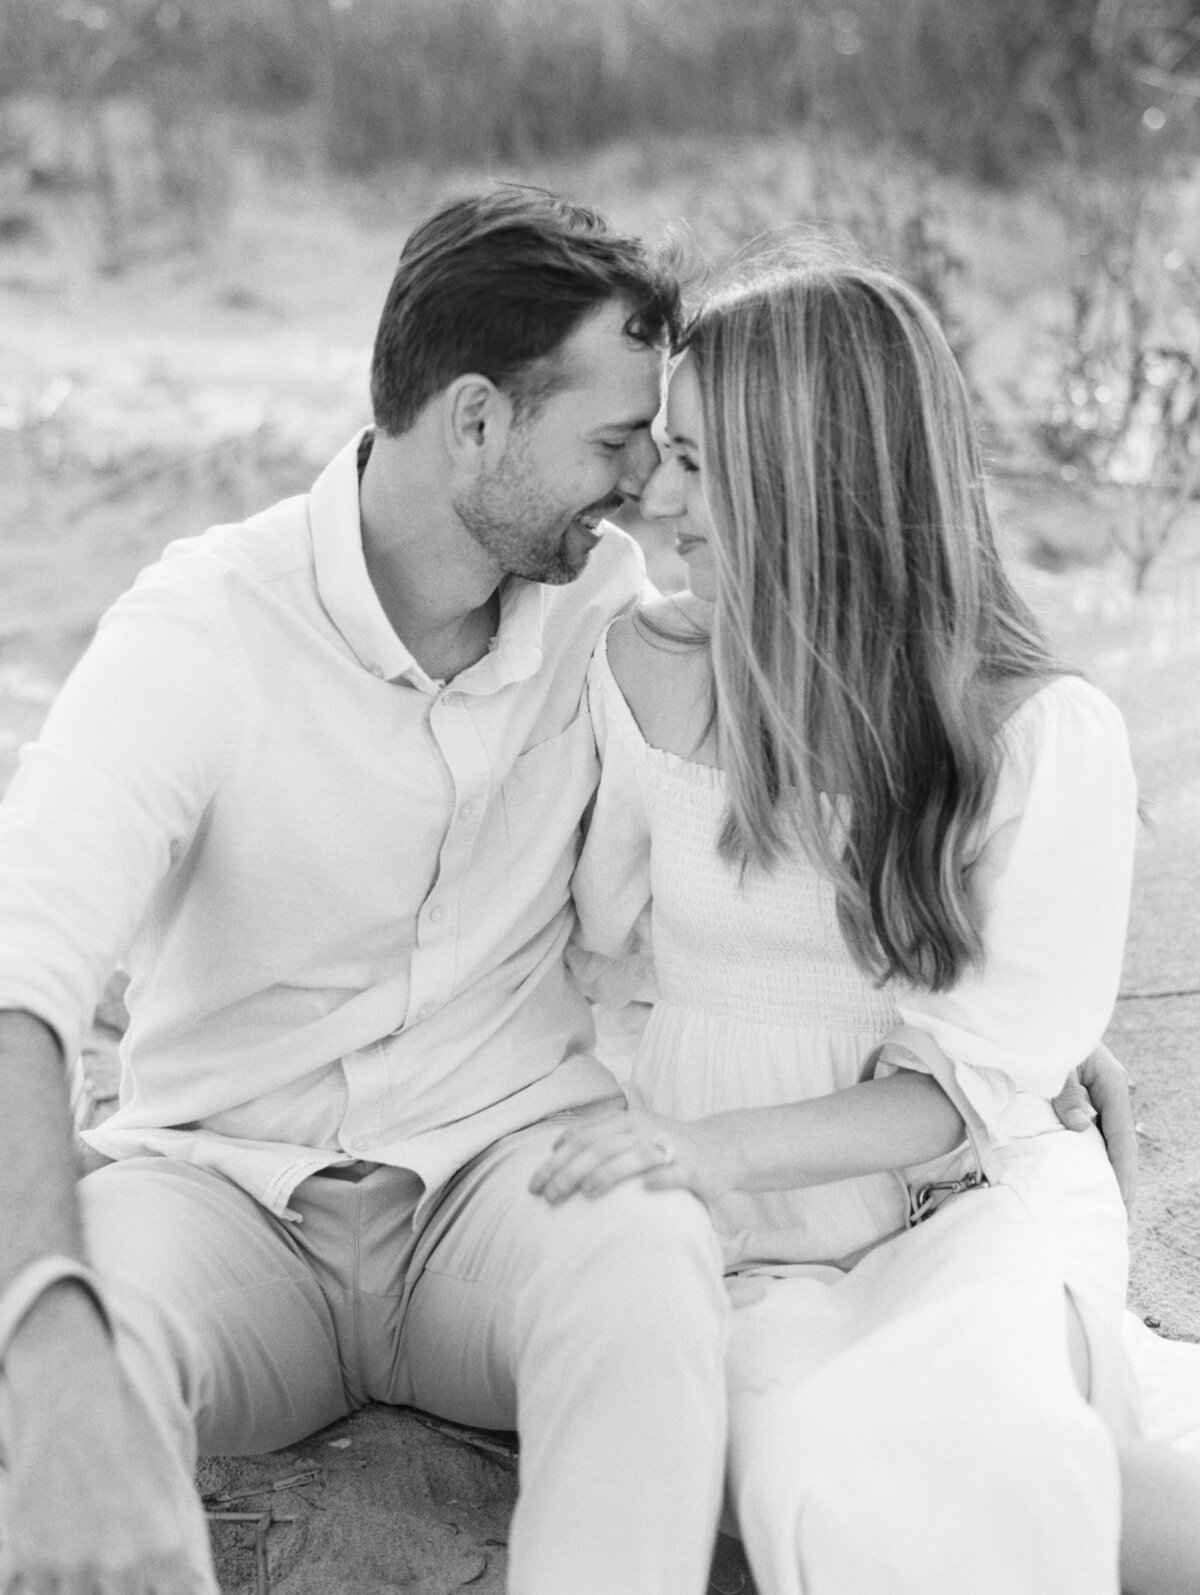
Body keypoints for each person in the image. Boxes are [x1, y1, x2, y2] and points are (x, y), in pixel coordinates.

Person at [0, 188, 732, 1595]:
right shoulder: (205, 623)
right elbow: (21, 968)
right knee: (77, 1357)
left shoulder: (610, 604)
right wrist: (48, 1330)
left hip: (511, 1180)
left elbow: (809, 785)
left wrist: (994, 1019)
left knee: (650, 1268)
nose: (645, 483)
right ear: (475, 421)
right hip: (220, 1192)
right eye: (615, 440)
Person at [533, 257, 1200, 1594]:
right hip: (736, 1245)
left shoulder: (1036, 734)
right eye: (663, 454)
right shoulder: (635, 670)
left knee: (990, 1438)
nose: (660, 502)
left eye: (702, 466)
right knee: (817, 1474)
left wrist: (699, 1146)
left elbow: (966, 1085)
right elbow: (577, 949)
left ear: (815, 486)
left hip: (957, 1207)